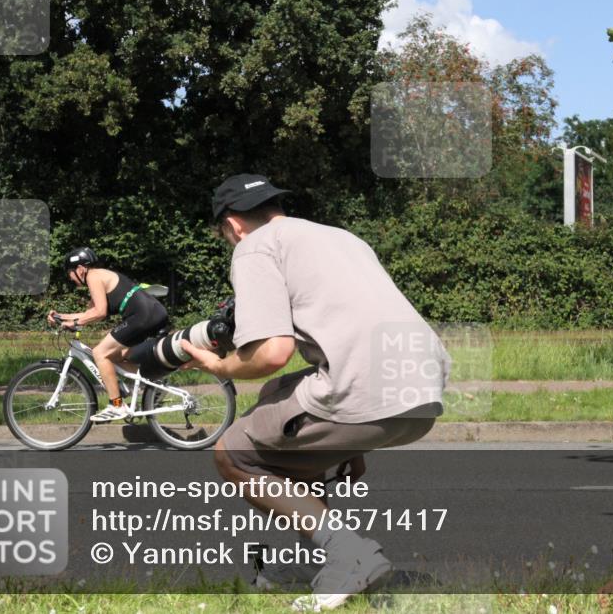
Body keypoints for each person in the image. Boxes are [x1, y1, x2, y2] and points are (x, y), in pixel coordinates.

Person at [179, 174, 449, 611]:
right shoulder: (340, 237)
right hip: (424, 392)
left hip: (364, 389)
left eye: (225, 236)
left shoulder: (255, 247)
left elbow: (272, 352)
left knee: (231, 453)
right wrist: (344, 441)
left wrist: (217, 364)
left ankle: (349, 554)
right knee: (275, 398)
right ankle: (326, 559)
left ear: (233, 225)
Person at [48, 247, 169, 421]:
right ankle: (155, 383)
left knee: (100, 353)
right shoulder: (99, 276)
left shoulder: (93, 276)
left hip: (143, 315)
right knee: (115, 355)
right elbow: (88, 313)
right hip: (150, 313)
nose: (70, 278)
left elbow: (100, 312)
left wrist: (73, 324)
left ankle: (117, 405)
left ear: (80, 268)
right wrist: (60, 317)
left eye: (70, 273)